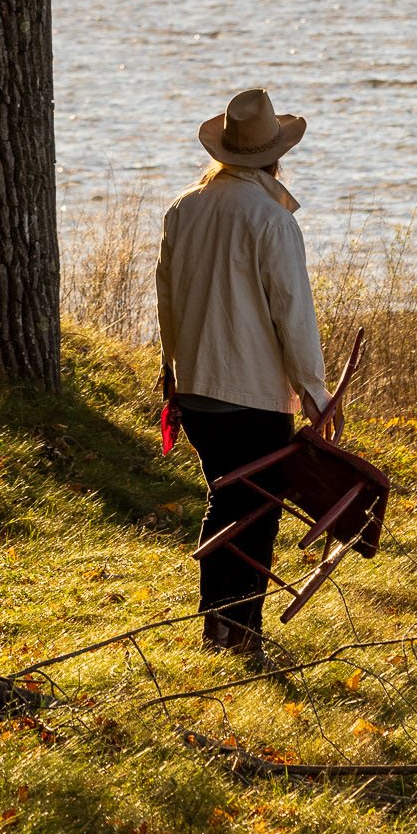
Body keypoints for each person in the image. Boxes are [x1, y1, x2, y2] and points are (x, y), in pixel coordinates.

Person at [156, 85, 340, 660]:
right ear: (274, 158)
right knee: (255, 513)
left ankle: (219, 629)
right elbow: (293, 313)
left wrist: (172, 371)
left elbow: (167, 299)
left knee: (226, 500)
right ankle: (241, 636)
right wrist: (314, 390)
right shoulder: (272, 221)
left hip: (196, 389)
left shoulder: (184, 209)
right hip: (253, 394)